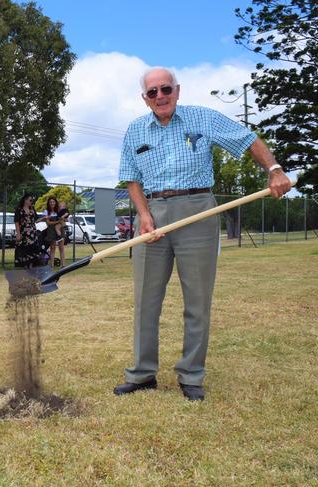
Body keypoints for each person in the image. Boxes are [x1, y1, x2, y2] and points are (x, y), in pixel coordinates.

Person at [114, 67, 292, 401]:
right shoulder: (135, 130)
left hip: (198, 210)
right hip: (151, 215)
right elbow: (131, 178)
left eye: (165, 89)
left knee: (197, 300)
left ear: (177, 91)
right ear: (145, 98)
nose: (160, 96)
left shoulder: (203, 118)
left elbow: (248, 139)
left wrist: (274, 170)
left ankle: (191, 374)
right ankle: (142, 373)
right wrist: (143, 216)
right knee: (145, 301)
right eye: (152, 92)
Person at [13, 193, 43, 268]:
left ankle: (31, 264)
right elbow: (17, 222)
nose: (31, 202)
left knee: (33, 248)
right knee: (24, 248)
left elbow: (36, 220)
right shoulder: (19, 210)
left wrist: (44, 218)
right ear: (25, 200)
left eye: (32, 200)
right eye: (30, 200)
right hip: (24, 233)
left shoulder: (32, 209)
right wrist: (18, 233)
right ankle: (25, 264)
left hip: (32, 233)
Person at [39, 197, 66, 268]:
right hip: (51, 231)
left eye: (53, 202)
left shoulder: (59, 210)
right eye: (50, 202)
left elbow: (64, 221)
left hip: (60, 230)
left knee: (61, 247)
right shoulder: (46, 211)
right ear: (48, 203)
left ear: (55, 202)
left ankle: (63, 265)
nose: (52, 203)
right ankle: (52, 265)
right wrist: (58, 221)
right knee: (52, 247)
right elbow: (48, 223)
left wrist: (61, 222)